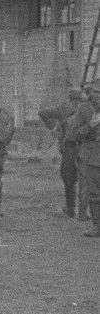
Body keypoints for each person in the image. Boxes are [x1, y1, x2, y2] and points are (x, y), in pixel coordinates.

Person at [40, 88, 85, 218]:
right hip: (85, 147)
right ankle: (84, 211)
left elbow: (43, 113)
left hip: (70, 148)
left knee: (68, 177)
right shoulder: (88, 108)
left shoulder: (63, 108)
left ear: (69, 98)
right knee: (86, 178)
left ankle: (71, 208)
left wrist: (53, 128)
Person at [70, 83, 100, 237]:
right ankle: (97, 225)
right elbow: (75, 134)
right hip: (92, 155)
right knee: (95, 192)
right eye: (97, 92)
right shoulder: (84, 109)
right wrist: (90, 125)